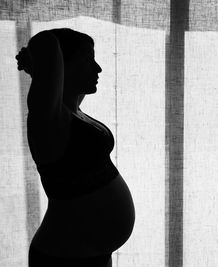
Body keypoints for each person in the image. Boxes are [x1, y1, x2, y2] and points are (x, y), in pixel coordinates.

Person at [16, 28, 135, 267]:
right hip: (64, 257)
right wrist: (35, 60)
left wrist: (39, 66)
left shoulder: (73, 111)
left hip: (90, 252)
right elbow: (46, 43)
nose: (98, 68)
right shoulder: (46, 119)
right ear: (62, 64)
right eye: (88, 59)